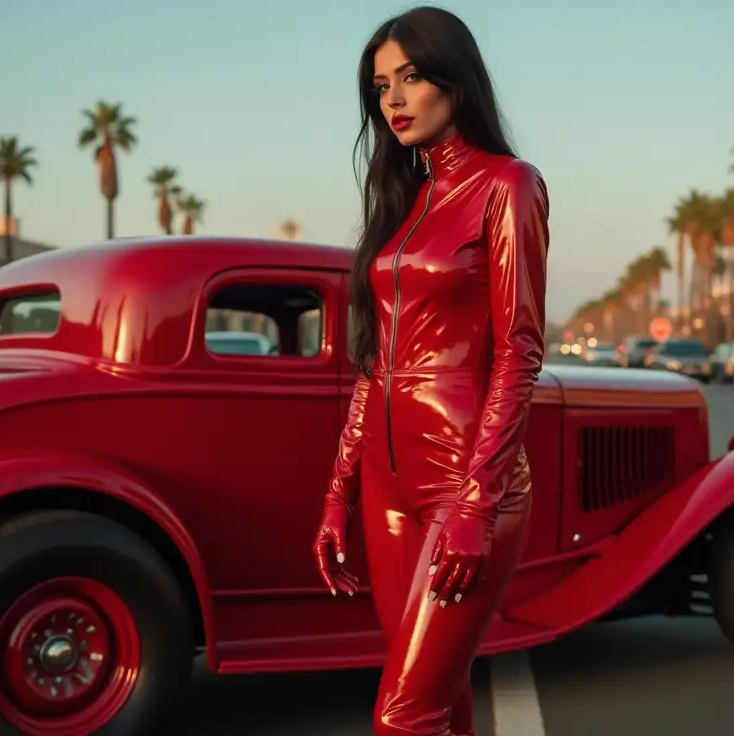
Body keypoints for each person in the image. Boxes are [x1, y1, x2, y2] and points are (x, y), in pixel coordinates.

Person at [311, 7, 549, 735]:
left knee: (402, 717)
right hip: (387, 491)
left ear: (455, 78)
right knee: (440, 704)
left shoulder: (507, 186)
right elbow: (375, 368)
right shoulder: (405, 203)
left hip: (466, 484)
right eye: (382, 84)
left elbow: (520, 349)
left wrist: (477, 503)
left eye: (411, 77)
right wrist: (336, 493)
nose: (394, 99)